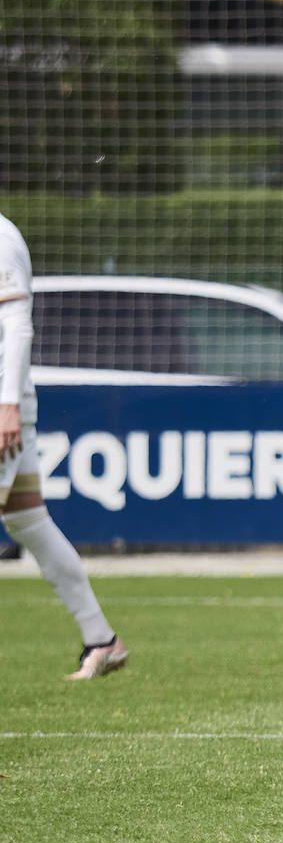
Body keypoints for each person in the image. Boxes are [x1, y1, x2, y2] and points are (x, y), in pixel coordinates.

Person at [0, 212, 129, 680]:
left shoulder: (0, 236)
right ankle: (102, 639)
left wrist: (7, 405)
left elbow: (17, 324)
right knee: (29, 521)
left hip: (2, 405)